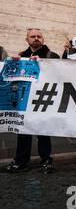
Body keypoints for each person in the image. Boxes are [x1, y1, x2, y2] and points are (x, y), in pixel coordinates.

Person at [5, 28, 59, 174]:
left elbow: (59, 76)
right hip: (24, 101)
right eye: (33, 36)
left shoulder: (52, 55)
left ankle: (47, 161)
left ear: (43, 39)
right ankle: (21, 161)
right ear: (27, 39)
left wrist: (44, 63)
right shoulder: (21, 56)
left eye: (39, 36)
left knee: (43, 132)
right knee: (22, 131)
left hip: (43, 99)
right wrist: (12, 63)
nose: (36, 38)